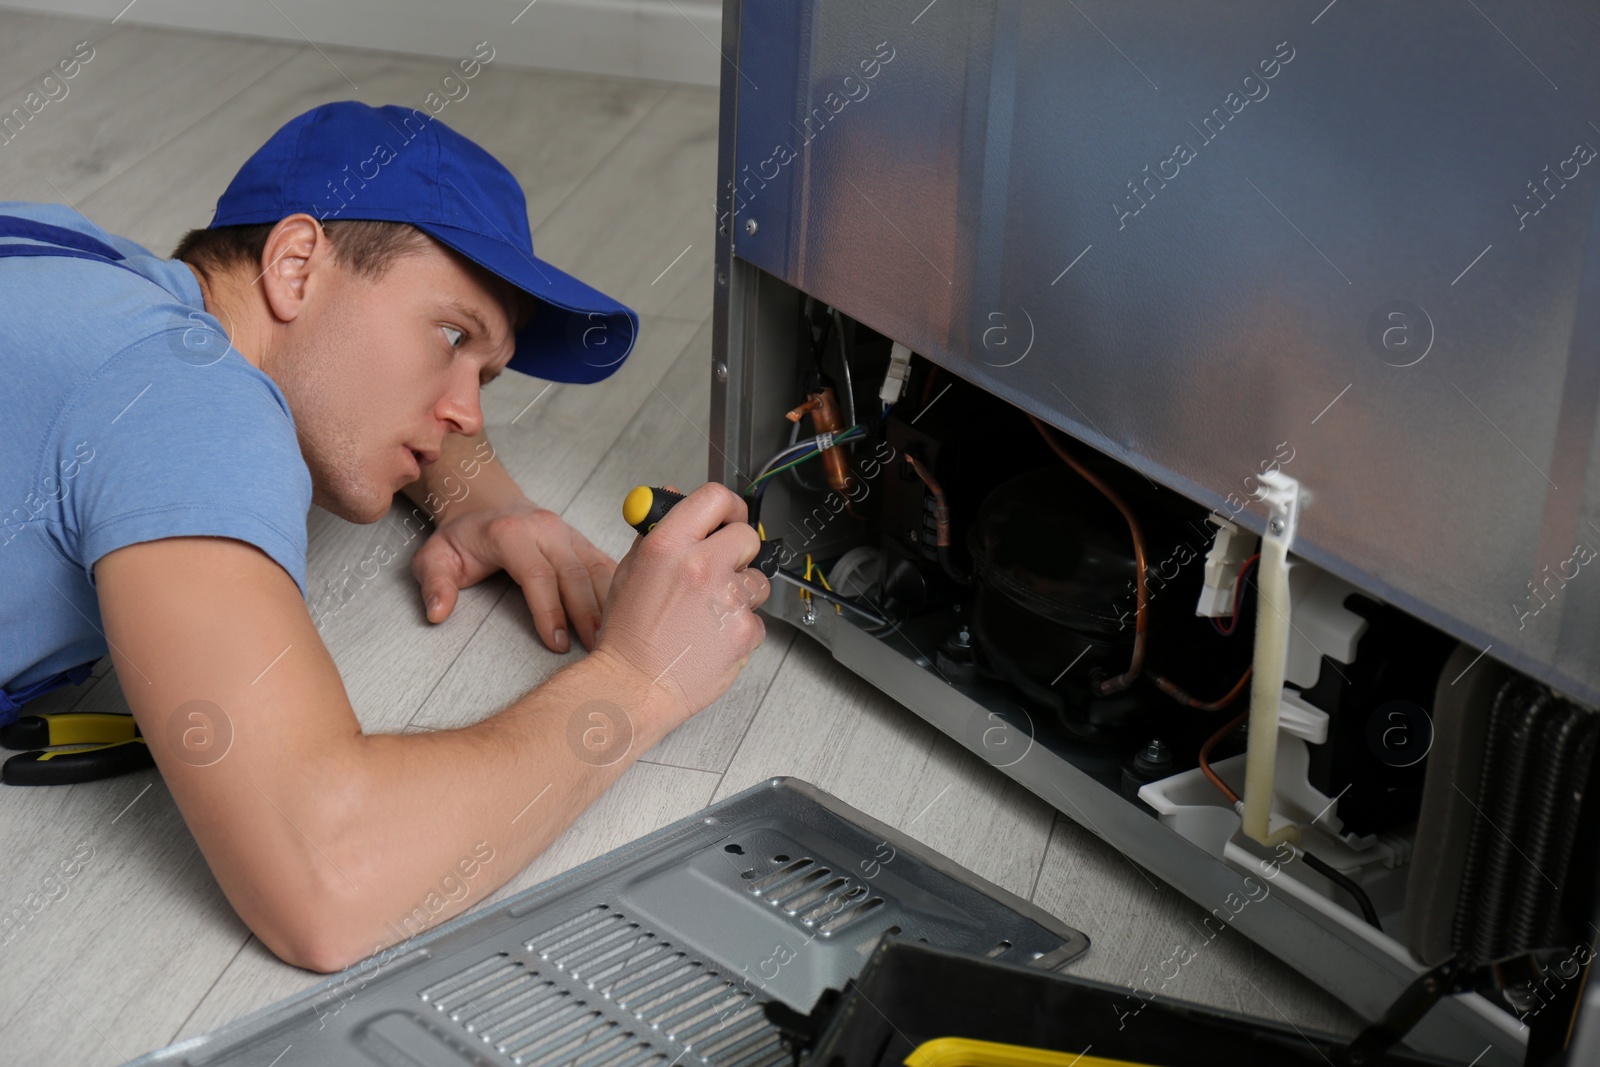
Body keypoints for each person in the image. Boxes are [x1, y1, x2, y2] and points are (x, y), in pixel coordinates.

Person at [0, 101, 769, 971]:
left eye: (484, 374)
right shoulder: (187, 397)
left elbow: (340, 366)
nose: (466, 411)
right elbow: (329, 875)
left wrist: (480, 496)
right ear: (294, 264)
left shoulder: (73, 265)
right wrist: (637, 680)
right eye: (451, 335)